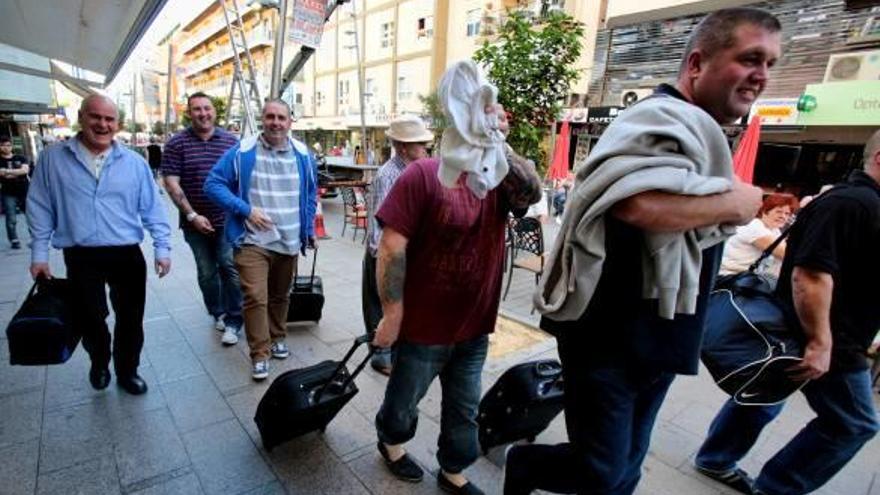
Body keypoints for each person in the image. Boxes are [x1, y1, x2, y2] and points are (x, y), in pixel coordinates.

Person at [507, 8, 778, 494]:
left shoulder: (697, 130)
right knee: (603, 470)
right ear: (696, 63)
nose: (761, 75)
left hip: (665, 333)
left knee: (627, 466)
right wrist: (732, 201)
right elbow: (633, 203)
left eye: (771, 63)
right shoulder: (657, 116)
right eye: (749, 58)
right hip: (608, 338)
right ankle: (523, 464)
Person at [693, 129, 880, 495]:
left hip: (822, 332)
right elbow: (809, 274)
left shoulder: (851, 201)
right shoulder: (856, 203)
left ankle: (716, 458)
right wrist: (820, 342)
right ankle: (778, 487)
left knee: (766, 396)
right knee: (855, 423)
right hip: (831, 339)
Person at [372, 102, 542, 495]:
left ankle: (452, 470)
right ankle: (392, 443)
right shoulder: (423, 174)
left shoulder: (497, 177)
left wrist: (503, 145)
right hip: (425, 325)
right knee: (404, 399)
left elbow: (530, 193)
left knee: (465, 409)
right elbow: (391, 246)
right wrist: (392, 313)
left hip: (474, 325)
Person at [27, 95, 172, 395]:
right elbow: (40, 206)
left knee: (131, 318)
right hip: (80, 255)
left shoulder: (133, 162)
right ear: (82, 117)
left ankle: (128, 370)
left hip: (126, 253)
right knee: (90, 317)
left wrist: (162, 247)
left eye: (109, 119)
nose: (102, 125)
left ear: (118, 124)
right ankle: (99, 361)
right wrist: (39, 254)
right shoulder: (53, 159)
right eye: (96, 117)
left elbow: (152, 208)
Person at [204, 99, 317, 381]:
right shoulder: (242, 151)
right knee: (255, 296)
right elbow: (212, 184)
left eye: (281, 117)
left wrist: (308, 229)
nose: (276, 122)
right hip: (252, 240)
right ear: (261, 119)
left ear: (291, 122)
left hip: (289, 239)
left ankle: (278, 336)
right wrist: (246, 210)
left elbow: (312, 192)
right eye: (270, 117)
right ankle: (260, 353)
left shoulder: (304, 154)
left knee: (281, 295)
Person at [162, 92, 243, 345]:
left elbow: (240, 180)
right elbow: (171, 183)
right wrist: (192, 214)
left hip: (227, 220)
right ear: (190, 113)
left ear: (214, 111)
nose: (203, 113)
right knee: (207, 272)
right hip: (193, 221)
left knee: (229, 266)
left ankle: (234, 319)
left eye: (207, 108)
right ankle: (217, 312)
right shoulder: (176, 143)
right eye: (197, 109)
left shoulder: (231, 141)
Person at [362, 115, 434, 376]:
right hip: (383, 252)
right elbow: (385, 225)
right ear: (402, 147)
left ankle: (394, 348)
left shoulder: (418, 171)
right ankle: (380, 355)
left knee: (396, 304)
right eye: (419, 144)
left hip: (403, 251)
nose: (425, 148)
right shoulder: (389, 174)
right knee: (379, 304)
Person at [719, 193, 798, 283]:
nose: (783, 216)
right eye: (778, 212)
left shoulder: (774, 230)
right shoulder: (755, 227)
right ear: (765, 211)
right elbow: (786, 255)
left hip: (746, 277)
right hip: (728, 277)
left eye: (787, 214)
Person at [0, 136, 30, 249]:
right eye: (3, 145)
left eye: (8, 145)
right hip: (8, 193)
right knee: (11, 218)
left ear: (11, 146)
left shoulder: (20, 157)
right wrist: (17, 172)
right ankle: (14, 240)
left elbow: (25, 170)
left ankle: (36, 238)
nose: (6, 147)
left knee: (31, 216)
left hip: (24, 191)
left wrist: (7, 172)